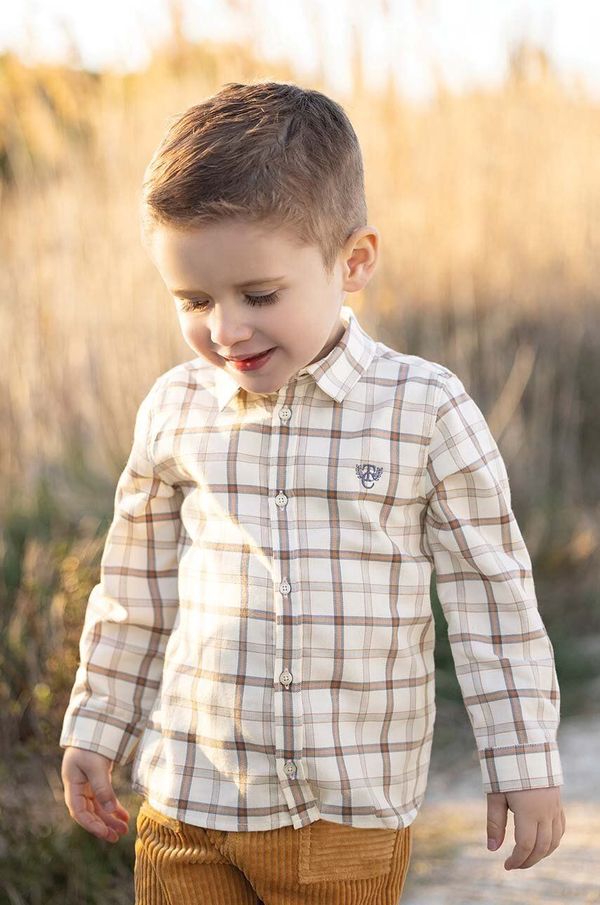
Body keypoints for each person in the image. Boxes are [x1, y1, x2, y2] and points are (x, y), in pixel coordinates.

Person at [59, 80, 565, 904]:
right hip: (187, 808)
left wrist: (524, 759)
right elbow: (133, 592)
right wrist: (95, 725)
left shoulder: (424, 409)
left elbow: (492, 594)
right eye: (193, 299)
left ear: (353, 261)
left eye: (259, 295)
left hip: (343, 817)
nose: (225, 329)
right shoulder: (175, 408)